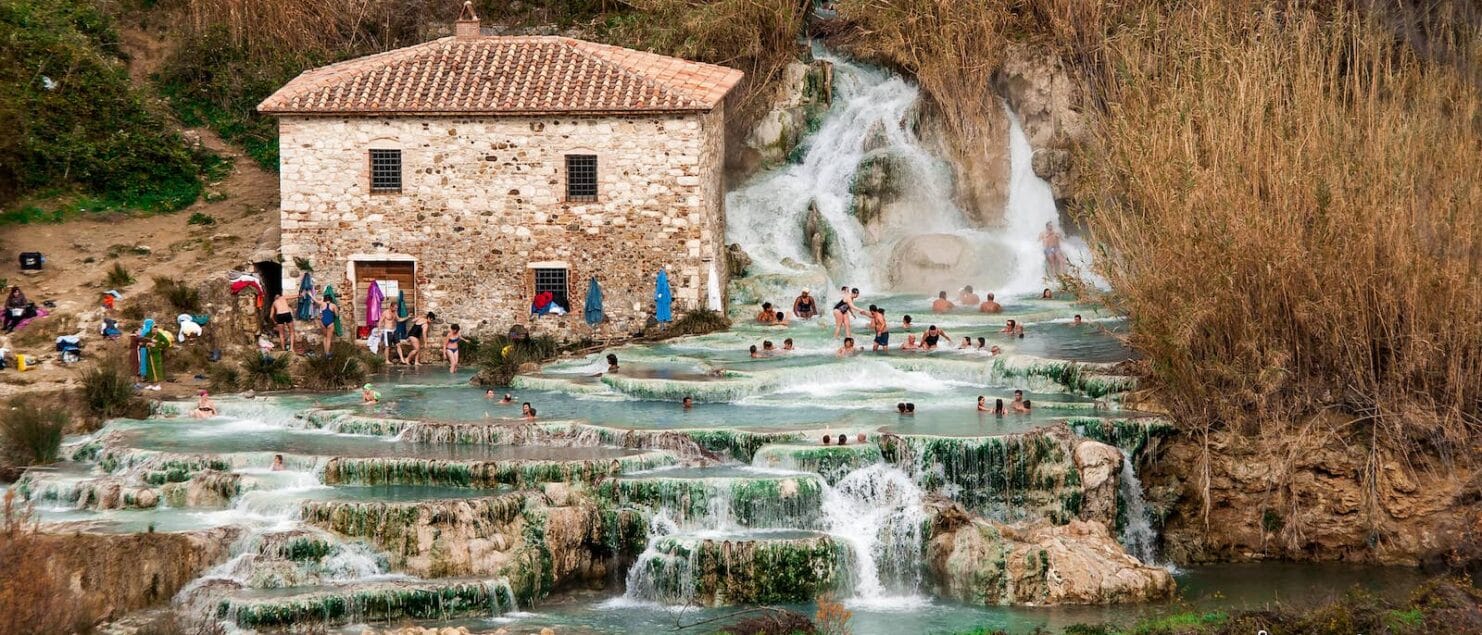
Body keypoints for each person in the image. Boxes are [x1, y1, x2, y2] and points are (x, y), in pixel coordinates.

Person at [316, 290, 339, 355]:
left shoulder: (322, 304)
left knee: (325, 337)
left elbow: (320, 314)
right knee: (329, 339)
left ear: (325, 299)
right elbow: (336, 315)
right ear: (331, 299)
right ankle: (327, 353)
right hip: (330, 323)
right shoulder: (333, 305)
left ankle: (325, 352)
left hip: (323, 322)